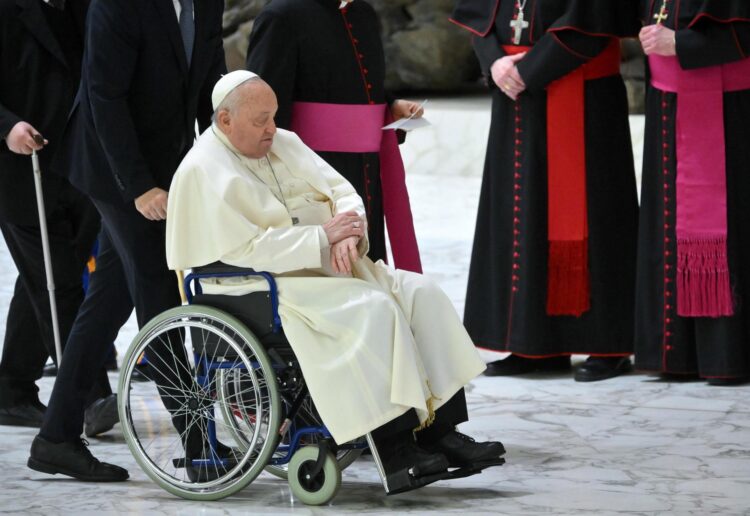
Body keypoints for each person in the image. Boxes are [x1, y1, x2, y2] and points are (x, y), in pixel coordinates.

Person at [165, 71, 506, 492]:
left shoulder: (285, 142)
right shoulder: (203, 169)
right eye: (260, 121)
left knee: (422, 293)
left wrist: (349, 232)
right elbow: (244, 251)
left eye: (273, 116)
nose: (272, 128)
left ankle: (441, 431)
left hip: (329, 267)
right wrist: (320, 238)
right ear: (225, 119)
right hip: (265, 287)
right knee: (372, 311)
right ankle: (396, 449)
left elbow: (343, 192)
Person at [27, 0, 226, 482]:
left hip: (165, 160)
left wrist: (221, 163)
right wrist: (138, 187)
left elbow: (209, 87)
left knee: (106, 303)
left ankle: (55, 438)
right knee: (157, 297)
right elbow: (104, 96)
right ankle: (201, 446)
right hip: (114, 166)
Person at [449, 0, 640, 381]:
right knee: (521, 216)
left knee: (596, 218)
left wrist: (530, 70)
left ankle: (608, 346)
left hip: (584, 96)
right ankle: (533, 345)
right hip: (515, 94)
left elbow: (594, 17)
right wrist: (495, 61)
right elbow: (480, 16)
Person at [0, 0, 113, 429]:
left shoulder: (87, 8)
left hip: (77, 164)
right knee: (60, 283)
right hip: (18, 169)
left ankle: (11, 388)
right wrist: (6, 126)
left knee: (44, 279)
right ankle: (88, 398)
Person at [246, 0, 422, 272]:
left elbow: (357, 86)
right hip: (314, 175)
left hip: (367, 170)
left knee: (371, 269)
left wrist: (390, 107)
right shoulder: (281, 15)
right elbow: (263, 107)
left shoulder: (362, 13)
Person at [635, 0, 750, 385]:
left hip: (730, 107)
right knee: (666, 232)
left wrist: (681, 44)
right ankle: (675, 355)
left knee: (731, 227)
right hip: (666, 101)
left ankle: (726, 357)